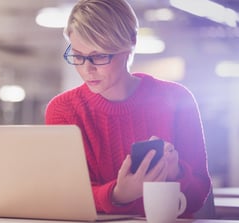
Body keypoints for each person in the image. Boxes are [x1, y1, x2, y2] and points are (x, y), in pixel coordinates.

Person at [45, 0, 211, 218]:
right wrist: (118, 195)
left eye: (99, 56)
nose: (87, 69)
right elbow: (65, 195)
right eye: (77, 55)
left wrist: (176, 172)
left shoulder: (177, 99)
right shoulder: (63, 110)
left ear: (131, 42)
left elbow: (199, 196)